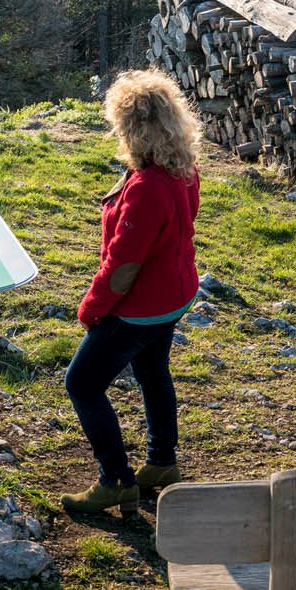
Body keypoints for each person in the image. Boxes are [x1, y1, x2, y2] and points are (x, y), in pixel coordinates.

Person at [61, 69, 203, 517]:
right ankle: (162, 463)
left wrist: (92, 310)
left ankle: (116, 481)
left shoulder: (146, 188)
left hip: (141, 306)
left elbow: (123, 267)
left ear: (134, 128)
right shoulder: (181, 169)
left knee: (82, 383)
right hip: (174, 295)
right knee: (152, 372)